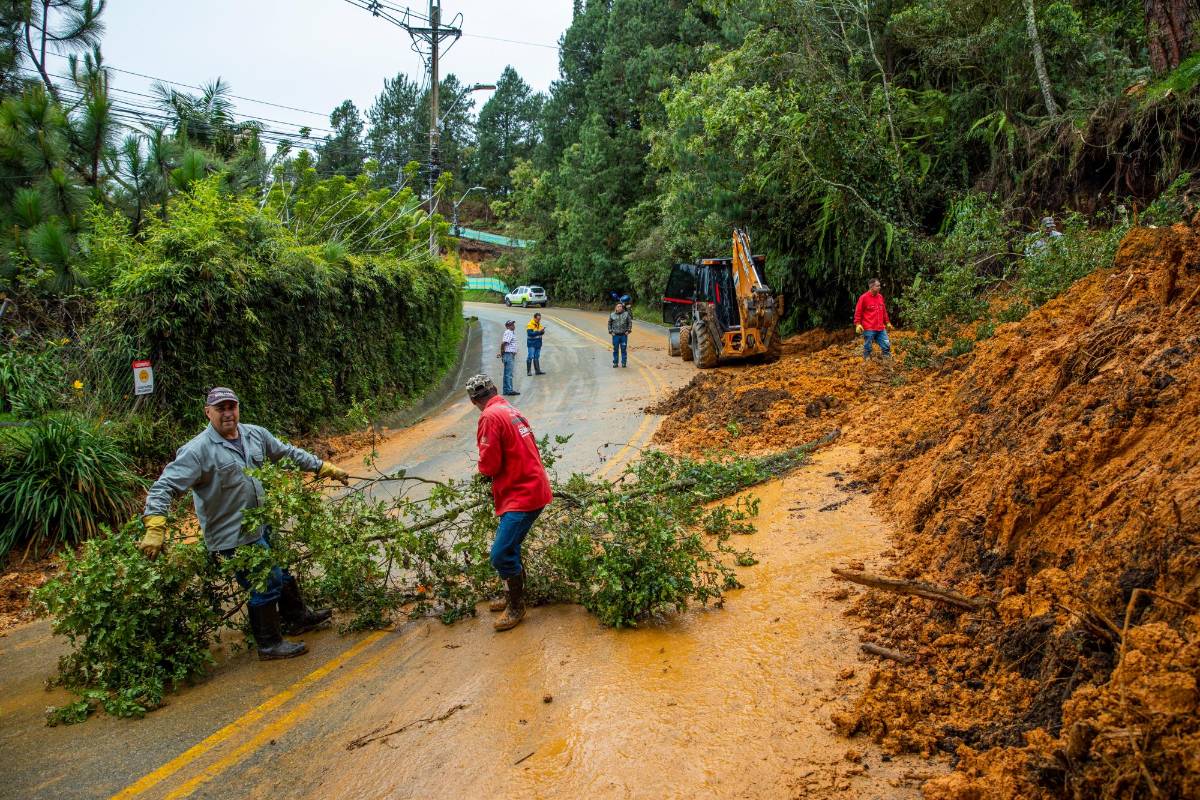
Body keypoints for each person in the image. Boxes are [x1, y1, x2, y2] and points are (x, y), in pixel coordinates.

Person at [138, 388, 350, 660]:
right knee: (266, 579)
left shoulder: (254, 435)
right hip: (234, 534)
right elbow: (163, 487)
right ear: (208, 412)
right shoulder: (197, 451)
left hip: (259, 523)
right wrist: (155, 527)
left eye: (231, 407)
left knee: (280, 569)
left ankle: (298, 618)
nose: (227, 413)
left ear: (238, 408)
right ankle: (269, 645)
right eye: (220, 408)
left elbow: (287, 454)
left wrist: (323, 467)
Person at [465, 374, 553, 632]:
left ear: (473, 401)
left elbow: (490, 464)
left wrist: (482, 472)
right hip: (529, 486)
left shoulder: (489, 417)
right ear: (494, 390)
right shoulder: (511, 409)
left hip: (523, 494)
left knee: (501, 553)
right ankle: (511, 595)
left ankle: (516, 606)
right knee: (510, 547)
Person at [854, 278, 892, 361]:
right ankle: (867, 359)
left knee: (886, 344)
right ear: (871, 287)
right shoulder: (863, 298)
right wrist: (857, 324)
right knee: (868, 346)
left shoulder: (880, 297)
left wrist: (887, 322)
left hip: (880, 327)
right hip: (869, 327)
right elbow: (858, 311)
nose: (880, 287)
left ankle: (887, 360)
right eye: (877, 286)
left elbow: (884, 311)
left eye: (879, 285)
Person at [497, 319, 520, 396]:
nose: (513, 326)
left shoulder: (510, 332)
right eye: (511, 325)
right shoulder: (509, 332)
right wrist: (502, 353)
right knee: (509, 374)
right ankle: (509, 390)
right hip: (508, 355)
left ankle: (506, 390)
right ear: (507, 326)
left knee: (506, 373)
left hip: (509, 354)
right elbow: (503, 344)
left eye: (513, 324)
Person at [608, 301, 633, 368]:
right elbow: (609, 323)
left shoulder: (626, 314)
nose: (620, 308)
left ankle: (624, 363)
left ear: (622, 307)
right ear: (616, 308)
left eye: (621, 306)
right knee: (615, 350)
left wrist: (628, 330)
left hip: (623, 335)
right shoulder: (612, 315)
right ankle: (615, 363)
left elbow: (630, 322)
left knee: (623, 349)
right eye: (618, 306)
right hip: (615, 335)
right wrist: (611, 332)